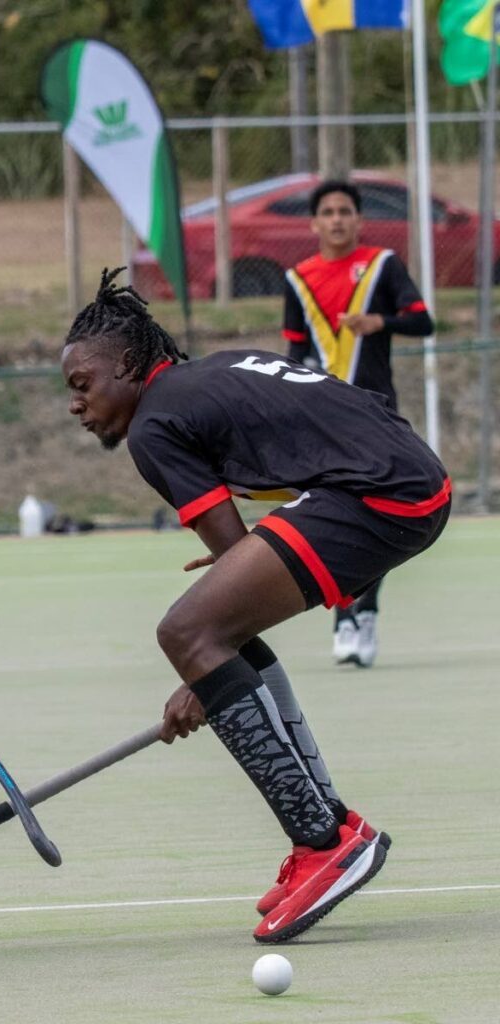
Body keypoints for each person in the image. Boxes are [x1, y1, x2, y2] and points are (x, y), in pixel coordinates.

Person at [61, 268, 450, 944]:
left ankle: (324, 844)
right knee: (207, 634)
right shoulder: (214, 373)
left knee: (186, 630)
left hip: (379, 495)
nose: (76, 405)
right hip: (408, 477)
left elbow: (219, 594)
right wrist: (209, 676)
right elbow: (237, 588)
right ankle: (329, 825)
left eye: (81, 385)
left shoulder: (155, 426)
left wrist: (202, 679)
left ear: (126, 365)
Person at [283, 179, 434, 668]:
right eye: (327, 211)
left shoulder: (382, 265)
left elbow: (422, 321)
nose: (337, 219)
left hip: (375, 410)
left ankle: (364, 609)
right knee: (332, 515)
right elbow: (295, 351)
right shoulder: (298, 278)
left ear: (359, 219)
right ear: (314, 223)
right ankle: (345, 613)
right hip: (322, 417)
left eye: (345, 210)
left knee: (381, 510)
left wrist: (380, 323)